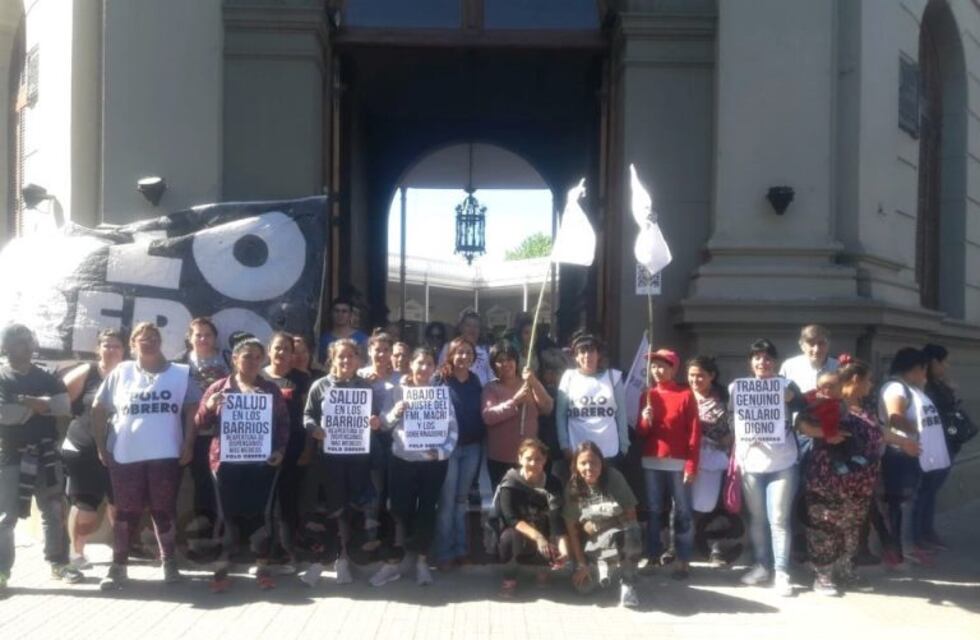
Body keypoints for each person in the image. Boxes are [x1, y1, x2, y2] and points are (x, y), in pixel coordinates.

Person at [92, 322, 200, 590]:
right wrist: (100, 445)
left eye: (154, 338)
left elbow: (192, 410)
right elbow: (97, 407)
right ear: (133, 343)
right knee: (126, 513)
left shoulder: (179, 373)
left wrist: (188, 443)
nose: (148, 342)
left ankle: (169, 563)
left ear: (160, 342)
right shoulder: (121, 372)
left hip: (166, 455)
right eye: (142, 338)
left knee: (163, 511)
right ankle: (118, 567)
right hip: (126, 455)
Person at [196, 338, 290, 591]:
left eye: (257, 357)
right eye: (247, 356)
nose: (252, 362)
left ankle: (262, 567)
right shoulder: (219, 388)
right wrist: (209, 406)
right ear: (235, 359)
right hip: (225, 463)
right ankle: (221, 570)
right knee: (226, 516)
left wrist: (280, 450)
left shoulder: (270, 390)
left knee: (261, 516)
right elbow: (200, 424)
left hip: (262, 463)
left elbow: (283, 424)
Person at [370, 346, 458, 587]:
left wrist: (441, 452)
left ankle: (421, 562)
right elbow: (385, 425)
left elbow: (453, 429)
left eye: (429, 364)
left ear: (434, 368)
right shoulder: (398, 391)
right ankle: (394, 563)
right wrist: (396, 412)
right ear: (411, 365)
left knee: (427, 511)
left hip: (433, 463)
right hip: (402, 461)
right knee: (398, 511)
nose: (424, 368)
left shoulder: (441, 393)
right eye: (420, 363)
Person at [798, 355, 887, 595]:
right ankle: (823, 575)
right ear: (855, 380)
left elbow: (879, 434)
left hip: (859, 483)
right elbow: (800, 424)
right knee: (825, 526)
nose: (871, 385)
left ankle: (845, 570)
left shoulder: (864, 407)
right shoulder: (824, 402)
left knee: (851, 528)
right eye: (868, 380)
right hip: (828, 479)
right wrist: (825, 434)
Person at [0, 324, 79, 589]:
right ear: (6, 346)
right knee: (5, 519)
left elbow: (63, 406)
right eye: (19, 342)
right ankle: (2, 573)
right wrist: (37, 405)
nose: (27, 346)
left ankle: (59, 563)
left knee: (54, 511)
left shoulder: (46, 376)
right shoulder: (1, 377)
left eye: (28, 341)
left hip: (46, 456)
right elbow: (4, 415)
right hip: (10, 457)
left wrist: (24, 403)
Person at [301, 338, 382, 586]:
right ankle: (320, 562)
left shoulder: (366, 388)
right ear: (332, 359)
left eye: (351, 356)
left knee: (351, 511)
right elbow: (307, 415)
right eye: (341, 357)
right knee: (328, 511)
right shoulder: (320, 386)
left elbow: (374, 418)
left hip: (357, 459)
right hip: (328, 459)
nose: (346, 361)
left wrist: (375, 423)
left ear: (358, 360)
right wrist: (313, 428)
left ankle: (343, 561)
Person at [732, 338, 805, 597]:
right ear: (750, 363)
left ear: (774, 362)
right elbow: (733, 419)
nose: (762, 362)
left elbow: (804, 410)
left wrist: (791, 398)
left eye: (767, 358)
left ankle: (782, 571)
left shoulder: (786, 385)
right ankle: (762, 565)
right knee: (758, 518)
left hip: (783, 462)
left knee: (779, 518)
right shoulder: (738, 388)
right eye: (757, 357)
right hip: (751, 463)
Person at [878, 347, 950, 568]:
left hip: (909, 453)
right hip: (900, 454)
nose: (924, 375)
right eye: (923, 370)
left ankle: (906, 547)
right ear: (916, 369)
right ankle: (900, 550)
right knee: (901, 505)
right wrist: (918, 431)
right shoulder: (896, 388)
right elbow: (895, 418)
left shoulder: (908, 388)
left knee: (908, 503)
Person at [60, 328, 126, 569]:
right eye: (106, 345)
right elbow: (59, 400)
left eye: (116, 345)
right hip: (84, 449)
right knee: (85, 506)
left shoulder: (130, 373)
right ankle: (76, 555)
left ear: (124, 349)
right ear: (98, 348)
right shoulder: (87, 371)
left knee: (119, 506)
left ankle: (119, 555)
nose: (111, 349)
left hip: (120, 451)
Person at [636, 348, 700, 579]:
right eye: (654, 366)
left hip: (678, 462)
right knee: (653, 511)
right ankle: (652, 556)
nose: (657, 370)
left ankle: (683, 559)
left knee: (682, 512)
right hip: (652, 460)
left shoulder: (685, 395)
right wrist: (645, 418)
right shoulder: (647, 395)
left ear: (674, 368)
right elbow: (642, 433)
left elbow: (695, 433)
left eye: (663, 366)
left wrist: (691, 465)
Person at [564, 440, 641, 607]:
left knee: (633, 532)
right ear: (576, 465)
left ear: (601, 463)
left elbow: (631, 515)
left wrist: (602, 525)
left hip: (617, 536)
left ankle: (628, 583)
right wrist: (581, 564)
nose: (588, 468)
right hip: (592, 546)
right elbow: (572, 530)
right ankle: (601, 569)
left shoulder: (614, 478)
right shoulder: (573, 487)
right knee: (582, 588)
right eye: (583, 463)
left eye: (593, 462)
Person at [260, 332, 313, 568]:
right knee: (262, 503)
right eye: (277, 348)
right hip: (259, 451)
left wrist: (308, 448)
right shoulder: (256, 377)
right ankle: (262, 552)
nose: (281, 353)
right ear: (269, 350)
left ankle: (287, 553)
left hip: (293, 450)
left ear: (293, 355)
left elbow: (309, 417)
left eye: (286, 349)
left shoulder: (301, 380)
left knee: (288, 502)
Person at [433, 336, 486, 569]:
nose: (463, 357)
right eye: (459, 352)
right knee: (447, 502)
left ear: (473, 357)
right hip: (448, 448)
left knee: (461, 501)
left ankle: (461, 550)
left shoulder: (476, 382)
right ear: (451, 355)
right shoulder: (440, 380)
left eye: (468, 352)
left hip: (472, 447)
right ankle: (445, 552)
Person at [495, 438, 567, 598]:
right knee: (508, 538)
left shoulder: (552, 483)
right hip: (520, 530)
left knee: (553, 537)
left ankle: (543, 570)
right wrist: (538, 537)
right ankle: (509, 579)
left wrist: (563, 548)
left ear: (545, 460)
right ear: (520, 458)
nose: (533, 463)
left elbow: (557, 517)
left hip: (544, 527)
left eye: (538, 459)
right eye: (528, 458)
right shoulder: (510, 483)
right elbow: (510, 518)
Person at [180, 317, 230, 539]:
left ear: (215, 337)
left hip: (224, 432)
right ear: (189, 338)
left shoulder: (227, 359)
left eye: (207, 334)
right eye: (198, 335)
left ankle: (229, 531)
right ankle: (206, 532)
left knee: (226, 481)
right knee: (202, 482)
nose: (202, 339)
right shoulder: (180, 364)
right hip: (194, 432)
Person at [482, 341, 554, 490]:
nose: (506, 364)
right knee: (504, 502)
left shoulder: (528, 384)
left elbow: (547, 407)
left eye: (509, 359)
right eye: (500, 361)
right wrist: (515, 401)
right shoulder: (490, 388)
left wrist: (533, 381)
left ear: (516, 361)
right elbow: (488, 416)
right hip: (500, 458)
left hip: (529, 459)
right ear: (494, 365)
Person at [686, 356, 737, 565]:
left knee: (714, 507)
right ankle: (681, 548)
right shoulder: (683, 396)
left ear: (712, 376)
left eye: (700, 375)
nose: (695, 380)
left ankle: (715, 548)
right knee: (684, 505)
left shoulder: (724, 398)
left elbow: (737, 423)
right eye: (691, 375)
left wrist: (729, 437)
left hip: (716, 460)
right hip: (687, 459)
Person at [556, 332, 629, 468]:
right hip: (578, 452)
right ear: (576, 357)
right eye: (582, 352)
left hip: (609, 452)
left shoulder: (613, 377)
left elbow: (621, 414)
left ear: (598, 354)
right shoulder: (569, 377)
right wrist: (564, 445)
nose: (587, 356)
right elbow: (560, 415)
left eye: (591, 351)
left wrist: (624, 446)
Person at [357, 330, 400, 552]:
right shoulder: (360, 375)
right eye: (377, 350)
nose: (381, 354)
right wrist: (363, 384)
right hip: (366, 441)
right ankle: (370, 536)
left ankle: (389, 537)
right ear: (369, 351)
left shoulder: (399, 378)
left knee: (389, 489)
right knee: (373, 489)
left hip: (392, 440)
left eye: (386, 350)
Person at [918, 343, 962, 551]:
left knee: (930, 491)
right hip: (935, 445)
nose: (947, 366)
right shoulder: (926, 386)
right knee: (926, 491)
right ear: (934, 362)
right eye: (944, 362)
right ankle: (921, 535)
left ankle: (927, 531)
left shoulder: (937, 384)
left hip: (945, 445)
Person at [778, 324, 840, 393]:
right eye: (811, 344)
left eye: (821, 343)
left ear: (828, 345)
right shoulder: (789, 367)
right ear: (802, 346)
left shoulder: (839, 367)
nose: (816, 349)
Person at [438, 311, 494, 386]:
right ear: (461, 327)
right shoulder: (448, 347)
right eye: (468, 325)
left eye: (476, 326)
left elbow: (492, 377)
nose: (472, 329)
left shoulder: (487, 350)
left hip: (482, 393)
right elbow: (441, 370)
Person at [318, 297, 369, 363]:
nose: (340, 314)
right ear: (331, 313)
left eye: (344, 311)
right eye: (337, 311)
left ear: (350, 315)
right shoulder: (324, 339)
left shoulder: (363, 339)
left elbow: (366, 363)